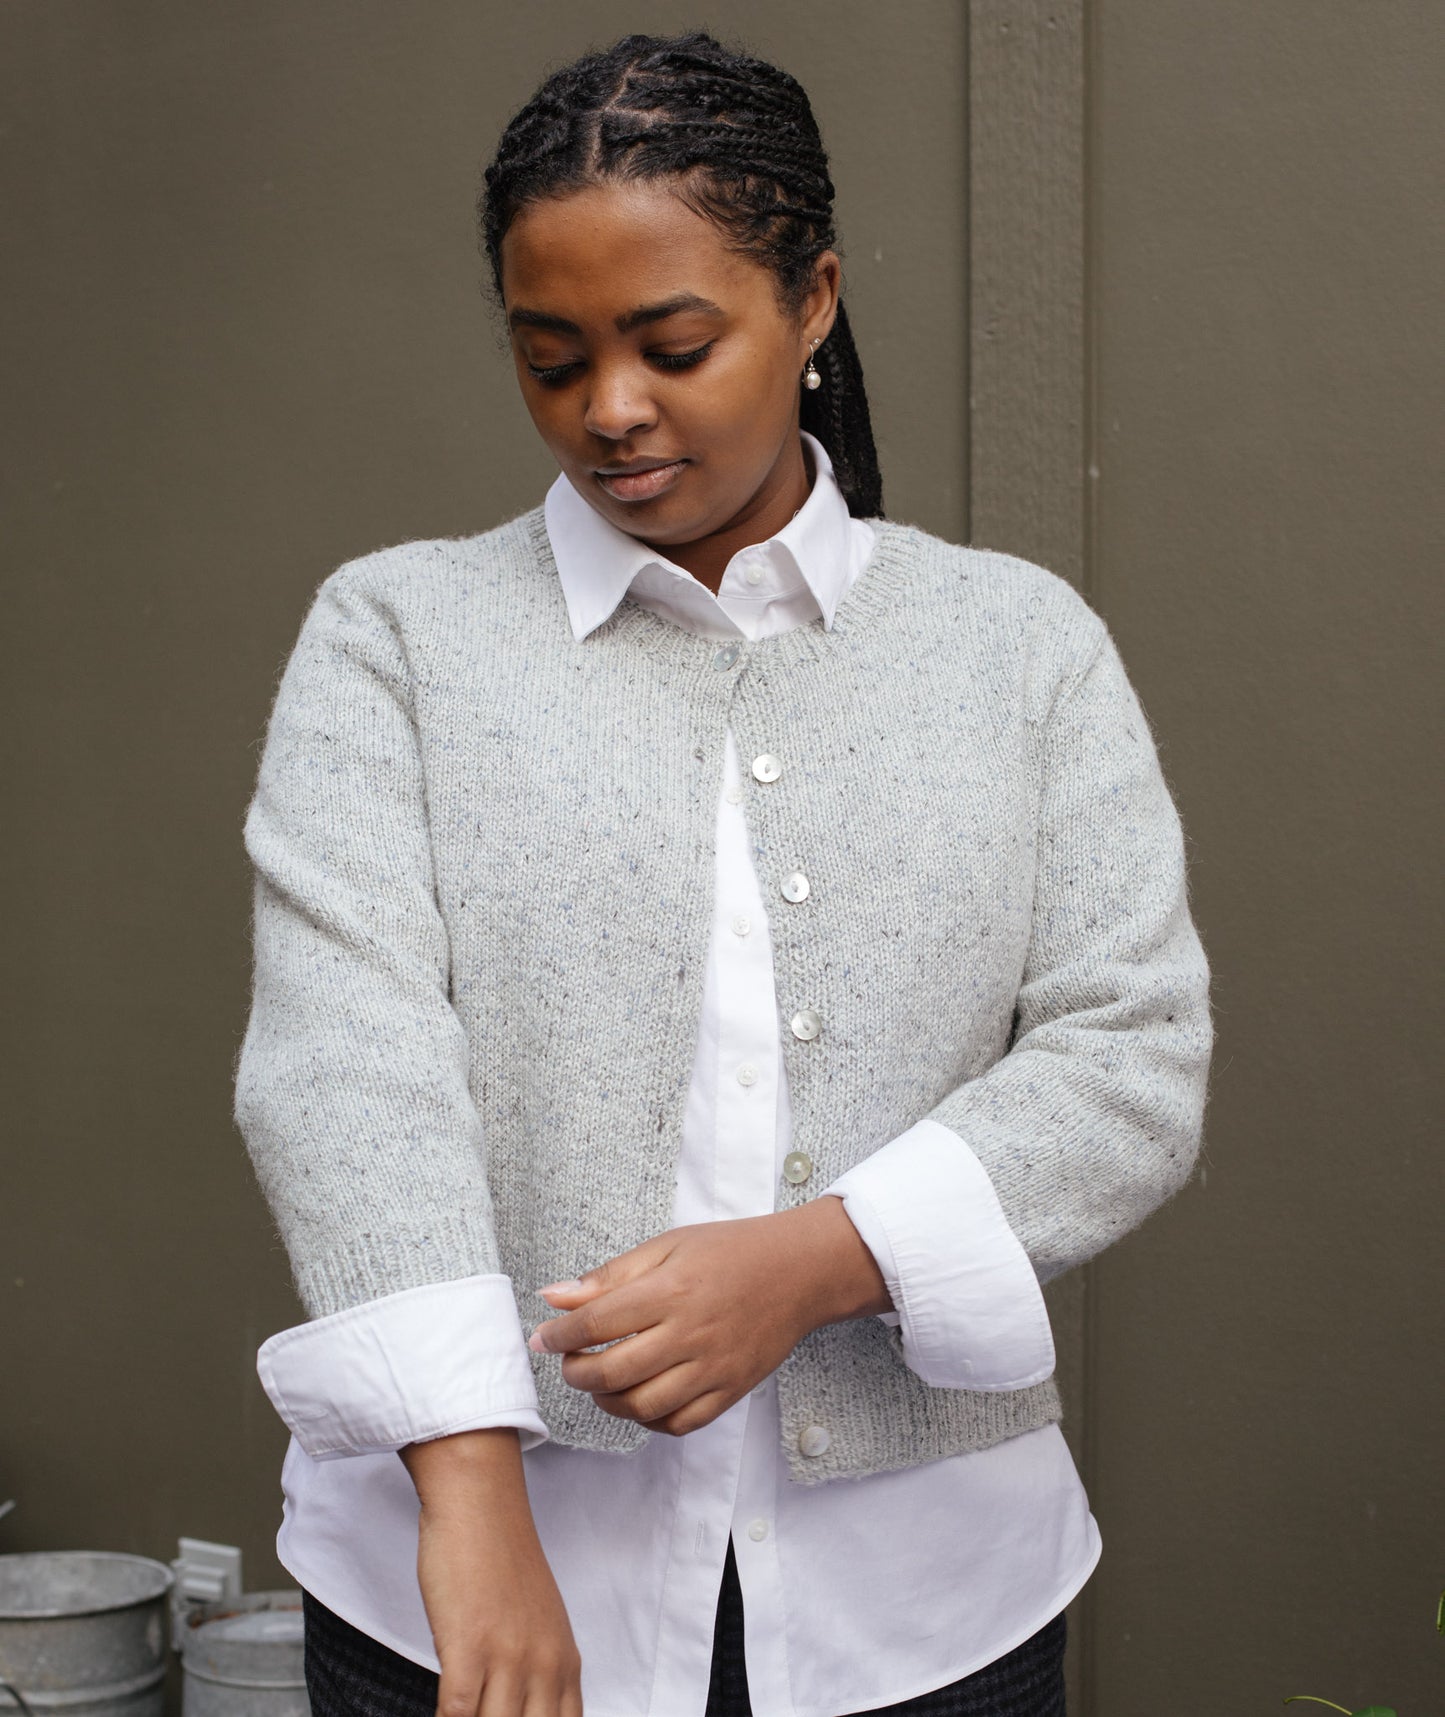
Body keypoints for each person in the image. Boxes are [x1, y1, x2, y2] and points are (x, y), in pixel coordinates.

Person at [233, 30, 1213, 1717]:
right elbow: (346, 1069)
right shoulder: (396, 636)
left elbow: (1131, 1056)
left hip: (929, 1599)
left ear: (813, 299)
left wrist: (818, 1257)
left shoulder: (1015, 648)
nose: (609, 411)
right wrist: (469, 1499)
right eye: (550, 361)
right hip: (471, 1596)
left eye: (671, 345)